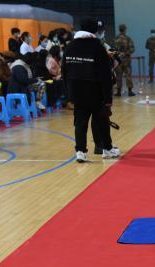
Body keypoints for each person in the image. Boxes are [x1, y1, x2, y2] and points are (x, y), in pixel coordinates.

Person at [63, 18, 119, 163]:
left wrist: (69, 93)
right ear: (95, 30)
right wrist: (108, 98)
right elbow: (105, 75)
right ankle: (107, 149)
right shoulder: (97, 47)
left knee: (80, 123)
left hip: (77, 92)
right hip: (95, 92)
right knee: (102, 121)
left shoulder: (70, 46)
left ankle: (80, 151)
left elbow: (64, 71)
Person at [113, 24, 135, 97]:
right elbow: (132, 49)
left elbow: (112, 50)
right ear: (125, 29)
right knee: (128, 75)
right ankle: (130, 91)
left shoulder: (115, 39)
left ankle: (118, 92)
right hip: (127, 61)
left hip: (118, 61)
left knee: (118, 76)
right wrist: (125, 53)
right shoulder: (128, 39)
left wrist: (118, 53)